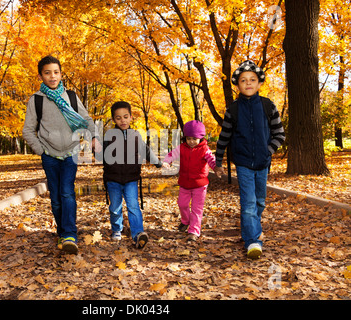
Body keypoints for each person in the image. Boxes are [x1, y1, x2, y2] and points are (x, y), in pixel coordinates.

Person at [22, 55, 101, 254]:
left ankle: (70, 235)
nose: (52, 76)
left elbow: (87, 119)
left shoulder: (72, 97)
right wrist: (41, 150)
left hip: (71, 153)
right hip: (49, 155)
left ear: (61, 73)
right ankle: (62, 233)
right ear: (40, 75)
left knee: (67, 192)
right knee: (56, 198)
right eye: (47, 73)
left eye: (56, 72)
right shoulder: (36, 100)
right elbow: (28, 130)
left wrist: (94, 137)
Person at [214, 60, 285, 259]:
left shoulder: (267, 105)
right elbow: (224, 137)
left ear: (259, 83)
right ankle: (253, 240)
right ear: (237, 84)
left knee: (260, 202)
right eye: (243, 80)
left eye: (252, 80)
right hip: (243, 163)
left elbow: (279, 134)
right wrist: (218, 162)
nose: (248, 83)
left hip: (263, 164)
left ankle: (251, 229)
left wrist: (268, 151)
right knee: (248, 203)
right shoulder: (233, 109)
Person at [102, 101, 162, 248]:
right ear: (113, 119)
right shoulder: (109, 137)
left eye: (125, 116)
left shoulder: (136, 136)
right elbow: (102, 155)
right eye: (118, 118)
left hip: (131, 179)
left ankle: (137, 234)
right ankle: (117, 229)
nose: (122, 120)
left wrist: (159, 163)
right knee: (115, 207)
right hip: (113, 179)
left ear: (130, 117)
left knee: (133, 206)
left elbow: (146, 151)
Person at [162, 120, 216, 242]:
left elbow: (211, 160)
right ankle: (185, 221)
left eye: (194, 139)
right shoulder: (181, 148)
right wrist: (166, 161)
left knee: (197, 208)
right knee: (182, 204)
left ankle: (194, 231)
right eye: (188, 138)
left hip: (200, 185)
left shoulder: (205, 149)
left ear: (201, 138)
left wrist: (216, 168)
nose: (191, 141)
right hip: (185, 183)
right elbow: (172, 154)